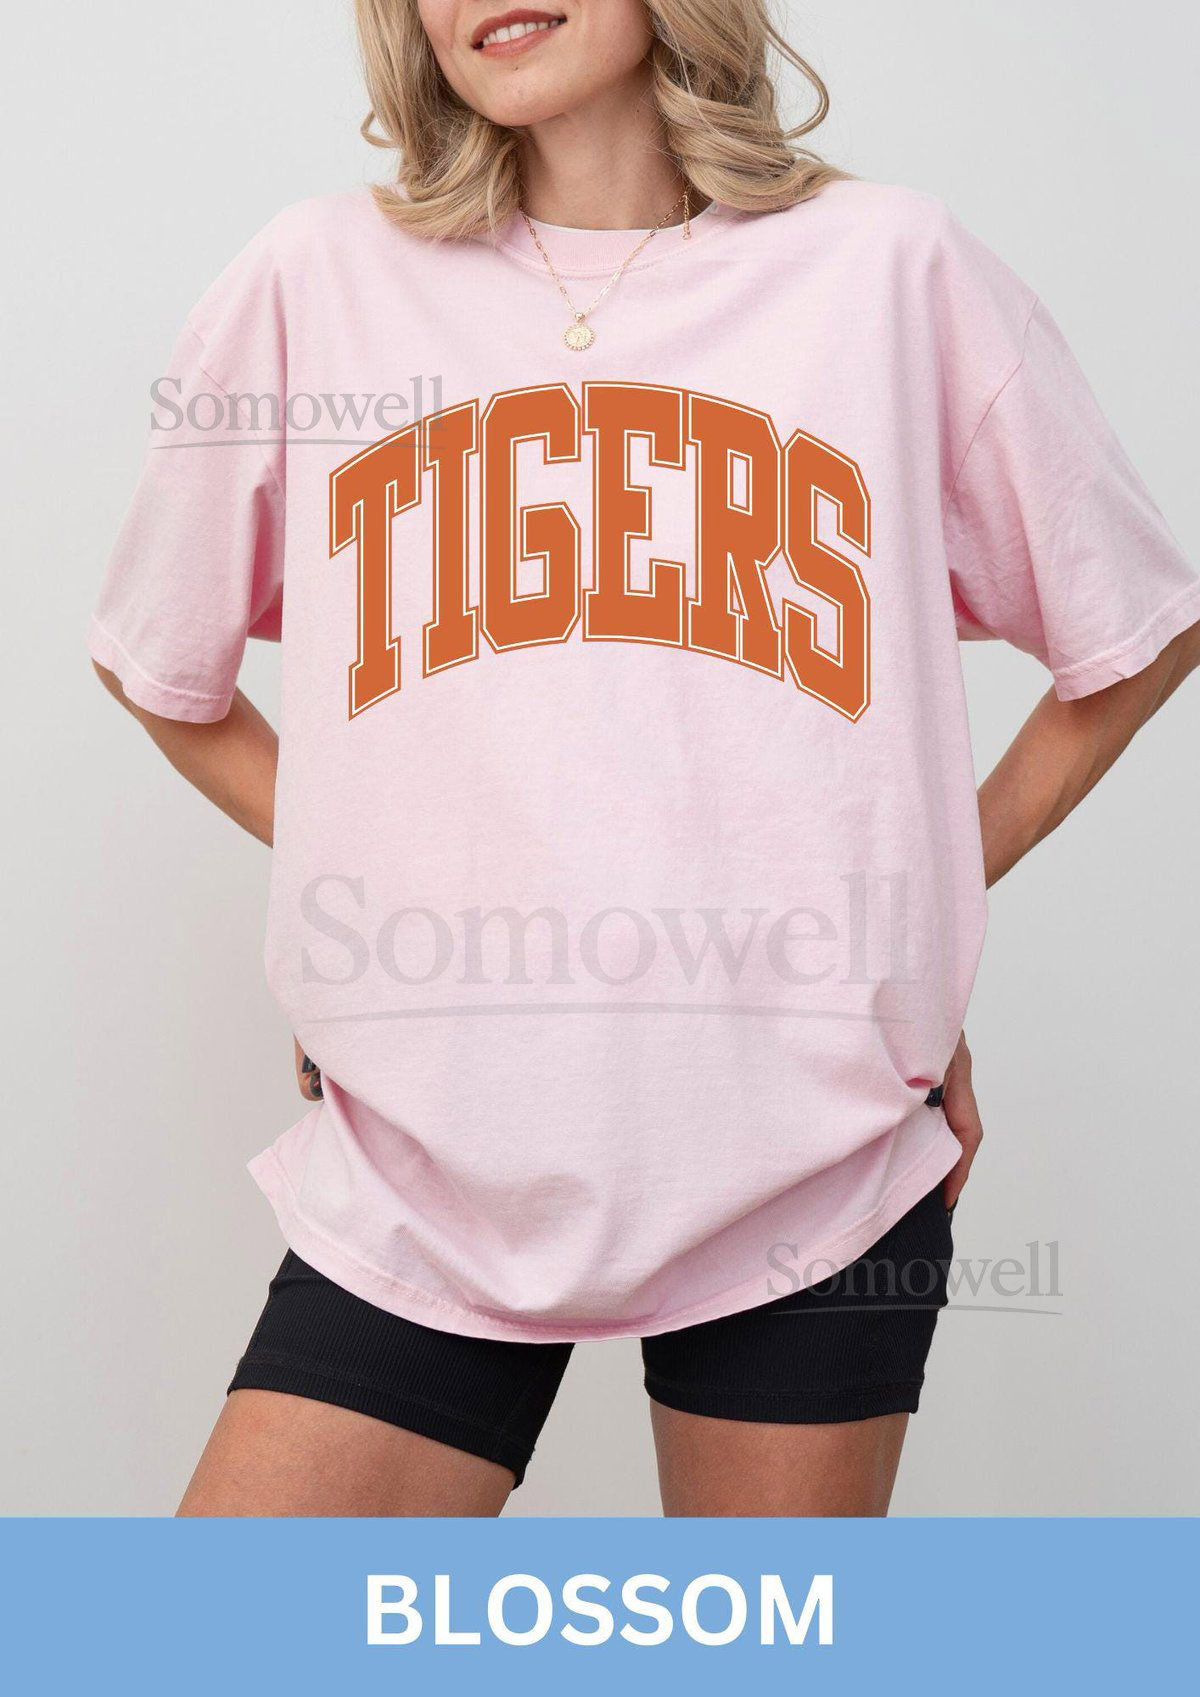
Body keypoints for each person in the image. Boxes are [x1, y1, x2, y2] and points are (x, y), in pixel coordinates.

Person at [90, 0, 1200, 1518]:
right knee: (211, 1637)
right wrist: (370, 866)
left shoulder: (891, 273)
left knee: (765, 1640)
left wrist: (909, 916)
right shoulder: (315, 282)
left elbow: (1133, 630)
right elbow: (163, 667)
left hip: (812, 1165)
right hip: (422, 1168)